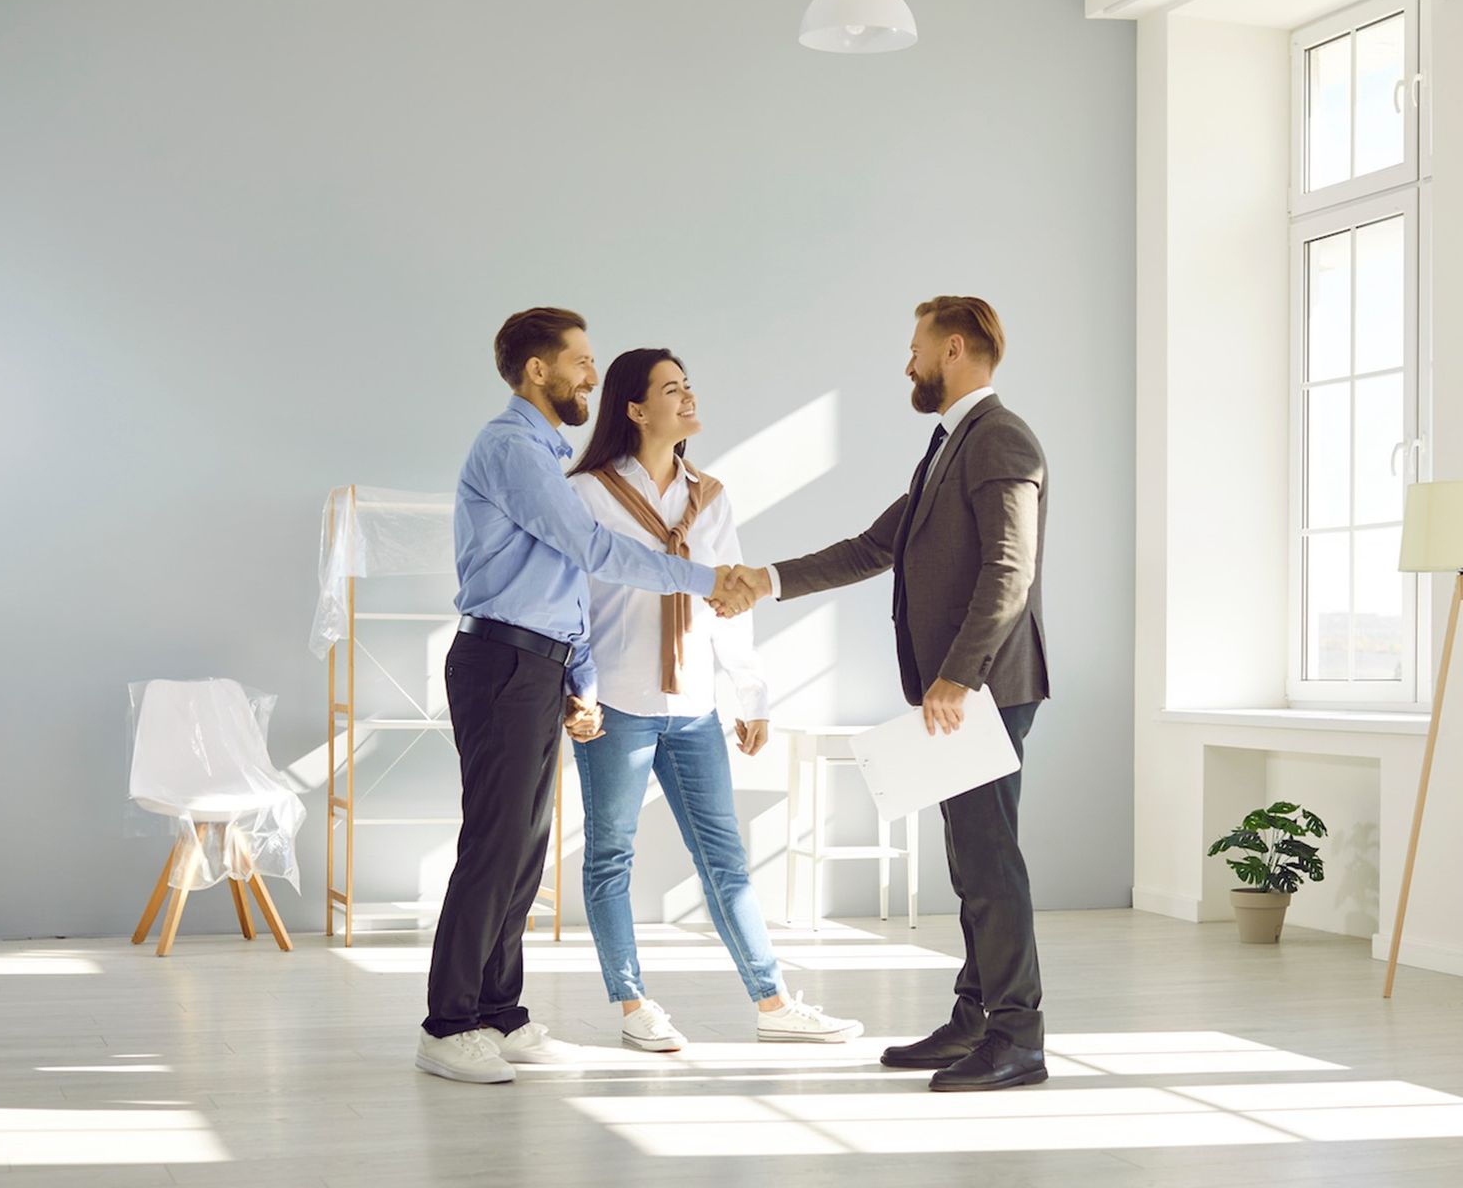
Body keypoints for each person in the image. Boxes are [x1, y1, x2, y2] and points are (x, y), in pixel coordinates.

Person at [417, 309, 753, 1085]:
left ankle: (501, 1014)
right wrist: (706, 580)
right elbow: (590, 550)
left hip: (536, 664)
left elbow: (563, 587)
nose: (591, 377)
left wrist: (578, 678)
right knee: (494, 847)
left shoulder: (541, 450)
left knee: (526, 851)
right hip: (500, 660)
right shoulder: (512, 449)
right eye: (580, 362)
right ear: (538, 371)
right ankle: (447, 1025)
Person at [730, 296, 1051, 1092]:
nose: (906, 364)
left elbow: (1010, 569)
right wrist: (765, 582)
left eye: (914, 349)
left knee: (989, 862)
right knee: (970, 858)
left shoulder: (1000, 437)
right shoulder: (950, 446)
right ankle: (976, 1020)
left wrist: (958, 674)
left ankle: (1019, 1037)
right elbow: (877, 546)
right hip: (960, 691)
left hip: (984, 688)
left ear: (952, 349)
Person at [566, 348, 863, 1050]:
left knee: (724, 860)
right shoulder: (588, 494)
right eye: (673, 389)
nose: (689, 397)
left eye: (689, 385)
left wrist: (751, 692)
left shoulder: (712, 497)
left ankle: (774, 1001)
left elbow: (730, 597)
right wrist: (575, 692)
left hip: (694, 703)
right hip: (618, 701)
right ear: (635, 410)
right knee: (611, 855)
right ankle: (635, 1005)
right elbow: (571, 604)